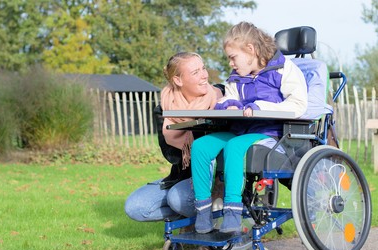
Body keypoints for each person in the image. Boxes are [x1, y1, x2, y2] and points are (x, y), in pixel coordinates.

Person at [191, 22, 308, 234]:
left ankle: (233, 214)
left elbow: (298, 105)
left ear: (250, 50)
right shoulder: (237, 76)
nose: (231, 63)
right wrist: (229, 104)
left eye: (233, 57)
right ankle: (203, 213)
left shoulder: (283, 69)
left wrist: (260, 107)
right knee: (200, 146)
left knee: (235, 146)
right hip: (240, 131)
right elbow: (231, 97)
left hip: (270, 135)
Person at [124, 52, 222, 222]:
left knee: (178, 199)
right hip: (183, 176)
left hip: (216, 179)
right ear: (178, 80)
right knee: (136, 207)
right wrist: (188, 123)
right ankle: (192, 217)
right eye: (195, 72)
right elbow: (172, 155)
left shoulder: (220, 102)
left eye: (203, 68)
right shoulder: (164, 108)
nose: (204, 75)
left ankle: (217, 218)